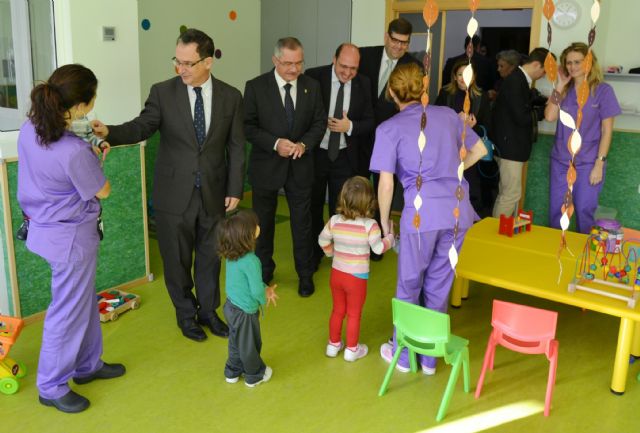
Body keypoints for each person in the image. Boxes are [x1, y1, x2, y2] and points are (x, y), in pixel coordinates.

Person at [92, 29, 245, 342]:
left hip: (214, 193)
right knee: (176, 262)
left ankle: (208, 312)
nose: (181, 68)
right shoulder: (163, 92)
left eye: (189, 63)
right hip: (173, 196)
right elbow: (142, 126)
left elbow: (237, 146)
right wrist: (111, 131)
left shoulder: (231, 96)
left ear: (208, 62)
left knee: (209, 258)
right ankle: (186, 315)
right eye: (177, 61)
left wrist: (235, 188)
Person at [17, 64, 125, 413]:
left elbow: (55, 167)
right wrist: (97, 157)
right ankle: (51, 385)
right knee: (66, 311)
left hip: (44, 230)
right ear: (80, 106)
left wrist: (85, 150)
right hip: (70, 240)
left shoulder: (30, 129)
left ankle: (88, 365)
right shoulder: (74, 151)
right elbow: (103, 191)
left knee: (81, 301)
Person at [370, 63, 487, 374]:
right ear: (424, 88)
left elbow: (386, 182)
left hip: (421, 215)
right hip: (458, 213)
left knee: (409, 284)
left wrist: (384, 223)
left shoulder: (389, 128)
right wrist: (455, 173)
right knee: (439, 284)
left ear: (392, 93)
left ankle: (405, 356)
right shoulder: (448, 116)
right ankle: (430, 358)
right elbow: (479, 149)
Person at [244, 37, 326, 297]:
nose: (294, 69)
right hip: (266, 167)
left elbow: (319, 122)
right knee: (263, 225)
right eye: (288, 63)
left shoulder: (312, 86)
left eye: (299, 63)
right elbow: (248, 126)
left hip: (300, 167)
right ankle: (264, 272)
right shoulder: (256, 87)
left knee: (302, 224)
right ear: (275, 60)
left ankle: (305, 274)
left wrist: (304, 144)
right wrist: (275, 143)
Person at [305, 43, 375, 271]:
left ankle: (339, 252)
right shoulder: (314, 77)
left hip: (346, 156)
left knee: (341, 208)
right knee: (313, 204)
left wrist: (349, 125)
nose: (347, 73)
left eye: (353, 69)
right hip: (317, 154)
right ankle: (315, 251)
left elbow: (369, 122)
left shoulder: (364, 83)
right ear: (334, 59)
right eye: (343, 66)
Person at [358, 17, 423, 261]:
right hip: (361, 136)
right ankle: (357, 238)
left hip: (393, 140)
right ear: (387, 36)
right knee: (360, 189)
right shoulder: (364, 56)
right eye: (395, 41)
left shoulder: (414, 67)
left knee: (383, 190)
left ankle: (377, 243)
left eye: (404, 43)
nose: (398, 47)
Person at [544, 42, 620, 233]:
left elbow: (606, 131)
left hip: (588, 163)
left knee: (585, 211)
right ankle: (555, 253)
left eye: (578, 62)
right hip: (561, 161)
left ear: (589, 62)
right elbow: (550, 116)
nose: (572, 67)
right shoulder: (563, 90)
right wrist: (560, 85)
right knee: (557, 211)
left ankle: (583, 256)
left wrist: (599, 164)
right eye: (568, 63)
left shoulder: (603, 91)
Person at [318, 176, 395, 362]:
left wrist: (331, 254)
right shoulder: (371, 226)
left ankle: (333, 344)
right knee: (354, 313)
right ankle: (352, 349)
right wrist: (390, 239)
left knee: (337, 310)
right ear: (370, 202)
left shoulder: (335, 220)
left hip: (337, 274)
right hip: (356, 278)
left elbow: (322, 240)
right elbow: (378, 248)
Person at [216, 210, 278, 387]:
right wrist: (263, 298)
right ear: (249, 235)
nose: (258, 227)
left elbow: (244, 282)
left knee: (235, 341)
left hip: (231, 307)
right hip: (245, 312)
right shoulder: (251, 260)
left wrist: (265, 288)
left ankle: (232, 371)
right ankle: (254, 375)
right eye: (255, 226)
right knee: (250, 344)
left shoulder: (231, 255)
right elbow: (256, 288)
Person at [491, 47, 549, 219]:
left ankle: (503, 231)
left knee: (509, 193)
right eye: (545, 71)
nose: (544, 75)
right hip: (511, 147)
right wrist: (544, 112)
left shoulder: (519, 79)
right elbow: (522, 117)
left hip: (510, 146)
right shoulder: (516, 81)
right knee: (510, 195)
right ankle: (495, 236)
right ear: (537, 64)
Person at [435, 58, 492, 216]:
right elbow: (435, 122)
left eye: (467, 74)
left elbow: (487, 127)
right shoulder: (445, 93)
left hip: (471, 152)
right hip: (447, 149)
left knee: (469, 189)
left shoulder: (482, 96)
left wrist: (473, 128)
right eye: (460, 74)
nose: (463, 78)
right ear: (454, 76)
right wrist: (454, 120)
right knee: (448, 186)